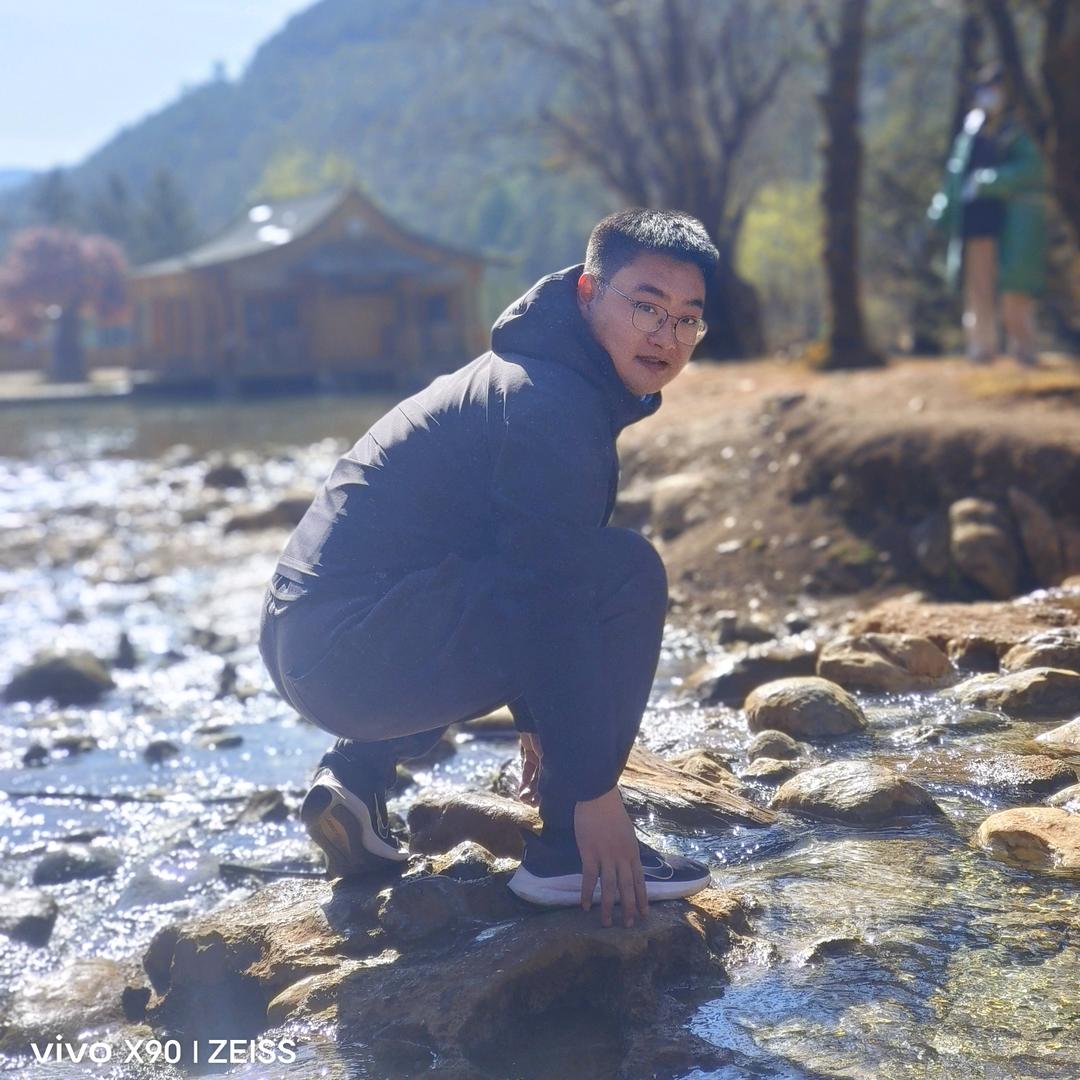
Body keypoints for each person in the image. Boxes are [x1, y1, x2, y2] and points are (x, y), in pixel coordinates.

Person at [259, 209, 718, 929]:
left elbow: (516, 563)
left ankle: (356, 777)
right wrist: (591, 794)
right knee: (623, 572)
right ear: (587, 291)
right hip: (349, 650)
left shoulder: (540, 376)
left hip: (311, 639)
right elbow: (551, 595)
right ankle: (568, 856)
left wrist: (545, 724)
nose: (666, 335)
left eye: (687, 319)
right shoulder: (549, 402)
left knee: (555, 572)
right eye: (646, 306)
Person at [927, 65, 1047, 367]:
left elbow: (1032, 169)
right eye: (987, 89)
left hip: (1010, 223)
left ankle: (1024, 350)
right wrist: (940, 213)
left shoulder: (1016, 131)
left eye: (996, 89)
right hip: (974, 222)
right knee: (978, 288)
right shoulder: (970, 132)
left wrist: (988, 181)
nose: (991, 96)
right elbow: (954, 177)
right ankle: (981, 349)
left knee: (1014, 288)